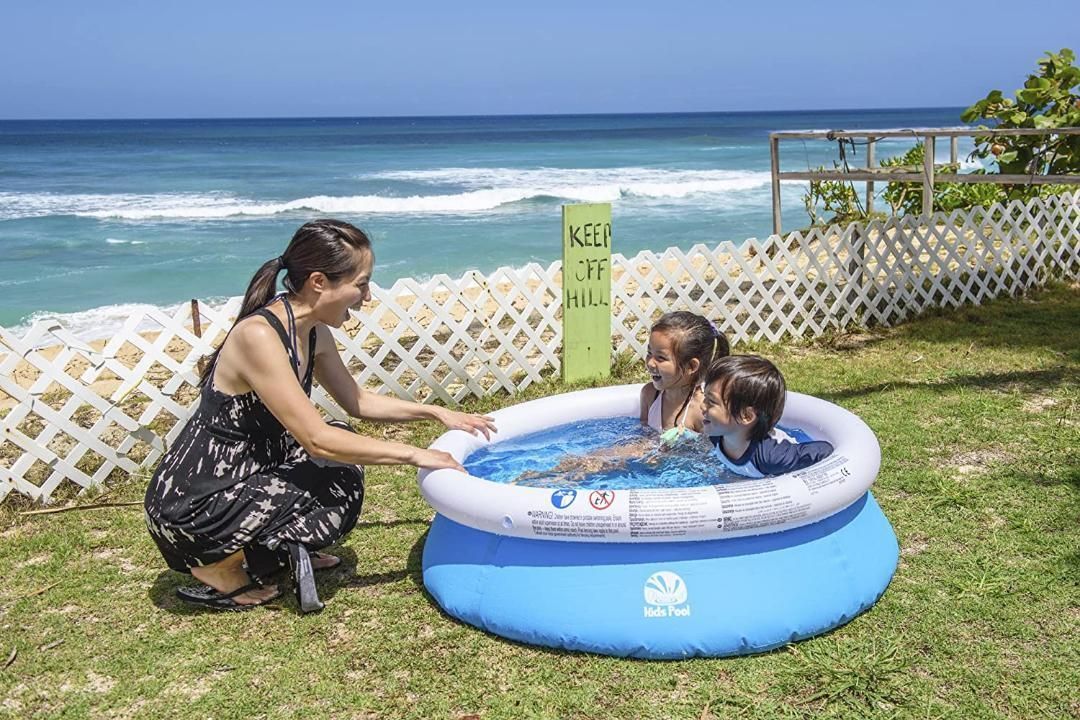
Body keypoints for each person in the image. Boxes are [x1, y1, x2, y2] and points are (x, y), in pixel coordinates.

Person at [144, 219, 496, 613]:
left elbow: (357, 402)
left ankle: (268, 551)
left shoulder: (313, 331)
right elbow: (316, 440)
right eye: (361, 284)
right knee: (336, 463)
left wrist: (435, 412)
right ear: (318, 282)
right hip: (193, 507)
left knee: (342, 460)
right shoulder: (259, 336)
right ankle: (218, 567)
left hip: (246, 479)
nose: (367, 296)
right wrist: (415, 454)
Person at [514, 311, 728, 485]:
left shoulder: (700, 410)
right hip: (648, 460)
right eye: (649, 353)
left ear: (691, 366)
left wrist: (665, 454)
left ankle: (551, 481)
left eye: (661, 358)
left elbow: (709, 456)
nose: (650, 363)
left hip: (676, 474)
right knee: (588, 460)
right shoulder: (651, 394)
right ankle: (544, 478)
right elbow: (642, 433)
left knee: (599, 464)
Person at [701, 355, 832, 478]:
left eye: (711, 401)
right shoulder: (717, 434)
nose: (702, 406)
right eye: (705, 397)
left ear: (746, 416)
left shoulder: (772, 457)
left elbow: (824, 450)